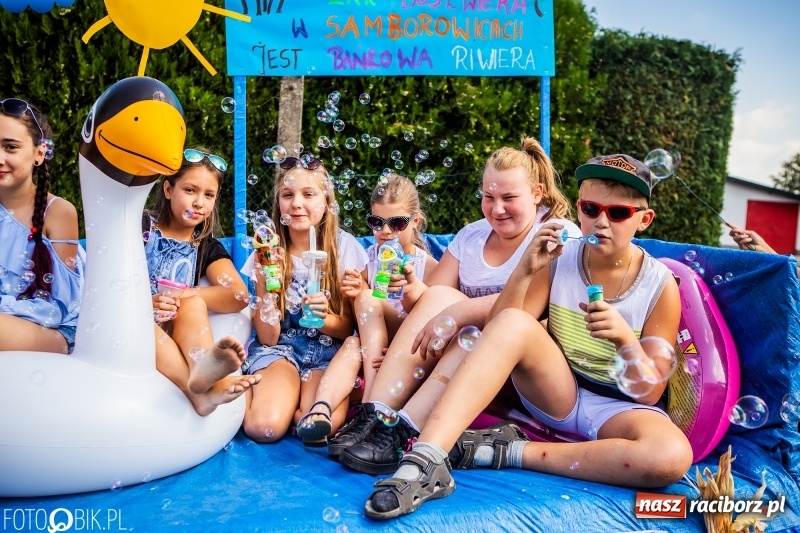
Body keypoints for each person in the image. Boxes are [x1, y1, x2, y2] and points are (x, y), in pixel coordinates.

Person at [362, 153, 693, 520]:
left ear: (643, 219)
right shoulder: (562, 256)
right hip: (558, 390)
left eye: (618, 214)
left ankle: (509, 451)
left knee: (671, 456)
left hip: (620, 407)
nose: (600, 221)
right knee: (516, 323)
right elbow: (503, 327)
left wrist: (624, 341)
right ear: (579, 208)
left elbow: (649, 393)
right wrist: (524, 269)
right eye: (589, 208)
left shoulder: (659, 285)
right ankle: (426, 459)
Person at [333, 137, 581, 475]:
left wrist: (461, 311)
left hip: (525, 370)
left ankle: (405, 431)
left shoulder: (555, 232)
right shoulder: (471, 236)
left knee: (474, 329)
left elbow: (535, 307)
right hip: (463, 361)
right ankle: (375, 416)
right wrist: (410, 287)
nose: (497, 209)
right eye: (488, 197)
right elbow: (432, 301)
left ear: (537, 193)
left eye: (510, 198)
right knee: (441, 299)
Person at [295, 173, 439, 448]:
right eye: (376, 222)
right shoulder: (368, 260)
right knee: (351, 341)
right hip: (370, 354)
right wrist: (350, 292)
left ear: (416, 222)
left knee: (366, 299)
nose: (385, 231)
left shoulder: (427, 267)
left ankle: (370, 410)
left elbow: (435, 322)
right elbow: (355, 325)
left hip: (408, 355)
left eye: (396, 223)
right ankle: (320, 409)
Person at [241, 155, 368, 443]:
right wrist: (264, 292)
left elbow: (350, 328)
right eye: (288, 195)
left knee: (321, 428)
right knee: (263, 428)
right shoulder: (266, 254)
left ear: (326, 201)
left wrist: (325, 319)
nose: (297, 203)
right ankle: (256, 390)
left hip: (327, 356)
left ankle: (298, 404)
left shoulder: (345, 248)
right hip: (281, 350)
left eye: (308, 194)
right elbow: (269, 337)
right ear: (279, 203)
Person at [146, 147, 260, 417]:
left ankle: (204, 371)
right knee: (140, 324)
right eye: (190, 190)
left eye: (208, 195)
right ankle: (200, 392)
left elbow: (238, 295)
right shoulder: (140, 228)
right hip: (136, 325)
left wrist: (186, 295)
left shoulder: (206, 246)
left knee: (194, 303)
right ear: (168, 189)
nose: (199, 202)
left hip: (172, 330)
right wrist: (147, 302)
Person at [0, 98, 84, 354]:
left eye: (11, 147)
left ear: (39, 153)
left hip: (54, 330)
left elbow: (59, 307)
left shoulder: (57, 212)